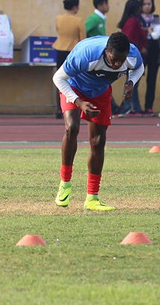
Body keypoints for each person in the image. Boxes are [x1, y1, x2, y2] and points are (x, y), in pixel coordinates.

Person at [52, 31, 145, 212]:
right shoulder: (87, 55)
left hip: (100, 92)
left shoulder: (132, 55)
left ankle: (92, 198)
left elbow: (139, 68)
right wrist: (78, 101)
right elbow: (58, 78)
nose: (118, 64)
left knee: (98, 141)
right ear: (106, 51)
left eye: (121, 60)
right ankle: (65, 184)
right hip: (73, 86)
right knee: (72, 128)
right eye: (114, 59)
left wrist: (131, 82)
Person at [117, 0, 146, 115]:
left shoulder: (131, 20)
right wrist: (139, 48)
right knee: (131, 81)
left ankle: (135, 107)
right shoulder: (133, 21)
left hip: (132, 54)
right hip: (132, 55)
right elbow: (129, 39)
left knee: (133, 81)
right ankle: (127, 105)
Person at [138, 0, 160, 114]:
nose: (147, 6)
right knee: (136, 77)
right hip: (141, 51)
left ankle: (148, 106)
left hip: (154, 50)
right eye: (145, 4)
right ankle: (134, 106)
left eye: (149, 4)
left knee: (152, 80)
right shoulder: (137, 18)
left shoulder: (156, 18)